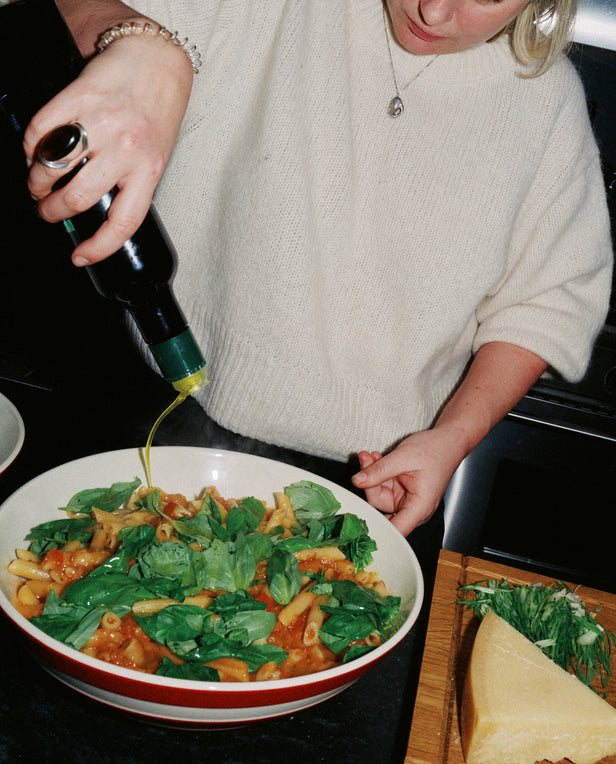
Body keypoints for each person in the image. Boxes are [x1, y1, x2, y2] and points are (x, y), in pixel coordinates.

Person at [23, 0, 612, 539]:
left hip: (369, 484)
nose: (433, 11)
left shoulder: (546, 104)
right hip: (162, 414)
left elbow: (546, 304)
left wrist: (451, 439)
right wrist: (142, 43)